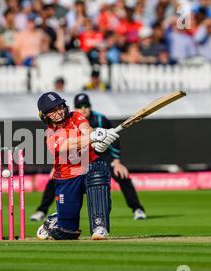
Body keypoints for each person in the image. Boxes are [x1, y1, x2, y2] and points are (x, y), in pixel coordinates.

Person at [31, 93, 147, 222]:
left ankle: (136, 209)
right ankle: (42, 210)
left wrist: (116, 160)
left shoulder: (97, 119)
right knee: (56, 180)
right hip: (74, 160)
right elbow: (66, 145)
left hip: (100, 154)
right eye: (80, 106)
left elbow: (107, 138)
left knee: (119, 175)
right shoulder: (52, 131)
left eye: (86, 106)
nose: (83, 109)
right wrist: (92, 138)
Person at [35, 91, 120, 240]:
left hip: (90, 165)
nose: (58, 112)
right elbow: (67, 144)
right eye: (52, 110)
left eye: (60, 107)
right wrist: (92, 138)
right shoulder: (50, 134)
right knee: (67, 233)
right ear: (45, 115)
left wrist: (100, 141)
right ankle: (56, 219)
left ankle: (99, 226)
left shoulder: (76, 116)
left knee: (98, 172)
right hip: (67, 177)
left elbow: (87, 130)